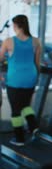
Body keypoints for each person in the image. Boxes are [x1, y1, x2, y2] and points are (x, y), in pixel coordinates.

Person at [0, 15, 41, 146]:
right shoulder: (36, 41)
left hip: (15, 79)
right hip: (30, 77)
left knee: (16, 110)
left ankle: (19, 139)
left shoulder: (8, 41)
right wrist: (35, 78)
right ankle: (34, 127)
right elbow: (37, 64)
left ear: (16, 25)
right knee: (25, 105)